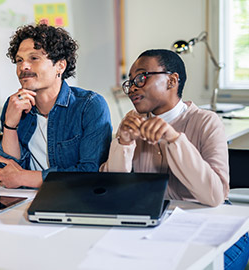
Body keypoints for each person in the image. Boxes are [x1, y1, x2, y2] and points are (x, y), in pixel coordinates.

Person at [100, 49, 249, 269]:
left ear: (171, 80)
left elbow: (215, 196)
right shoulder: (133, 123)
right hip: (159, 229)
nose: (132, 88)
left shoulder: (206, 122)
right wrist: (123, 142)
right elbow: (111, 190)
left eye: (141, 78)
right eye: (130, 82)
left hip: (214, 227)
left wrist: (174, 139)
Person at [0, 24, 112, 189]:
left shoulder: (89, 106)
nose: (23, 67)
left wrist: (24, 178)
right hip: (24, 200)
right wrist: (10, 125)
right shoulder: (14, 104)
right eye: (19, 60)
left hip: (74, 200)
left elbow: (90, 172)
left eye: (34, 58)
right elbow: (6, 173)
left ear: (60, 66)